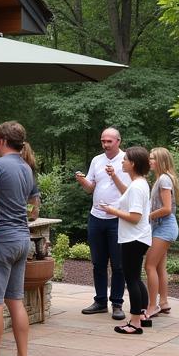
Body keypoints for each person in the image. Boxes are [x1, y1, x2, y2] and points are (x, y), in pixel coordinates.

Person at [0, 122, 40, 356]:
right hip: (22, 239)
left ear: (3, 140)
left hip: (1, 241)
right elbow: (34, 207)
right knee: (15, 301)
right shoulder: (26, 168)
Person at [98, 146, 153, 335]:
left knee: (132, 279)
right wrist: (114, 177)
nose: (122, 161)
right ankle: (143, 315)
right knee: (136, 278)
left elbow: (135, 216)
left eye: (125, 160)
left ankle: (135, 322)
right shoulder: (138, 183)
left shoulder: (137, 187)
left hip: (134, 238)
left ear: (133, 163)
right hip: (138, 237)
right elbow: (126, 193)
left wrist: (111, 211)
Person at [74, 127, 128, 320]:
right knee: (98, 263)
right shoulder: (97, 160)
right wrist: (82, 180)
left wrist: (115, 175)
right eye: (103, 141)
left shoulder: (126, 161)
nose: (105, 145)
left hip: (117, 218)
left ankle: (117, 304)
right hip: (96, 217)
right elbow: (90, 189)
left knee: (118, 264)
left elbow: (129, 192)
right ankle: (100, 301)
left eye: (109, 141)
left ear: (118, 141)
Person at [145, 147, 179, 318]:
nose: (150, 161)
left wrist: (148, 216)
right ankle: (164, 302)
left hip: (164, 227)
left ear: (161, 160)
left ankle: (153, 306)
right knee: (159, 267)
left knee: (149, 266)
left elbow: (166, 209)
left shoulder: (164, 179)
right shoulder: (162, 178)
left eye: (152, 158)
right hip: (161, 227)